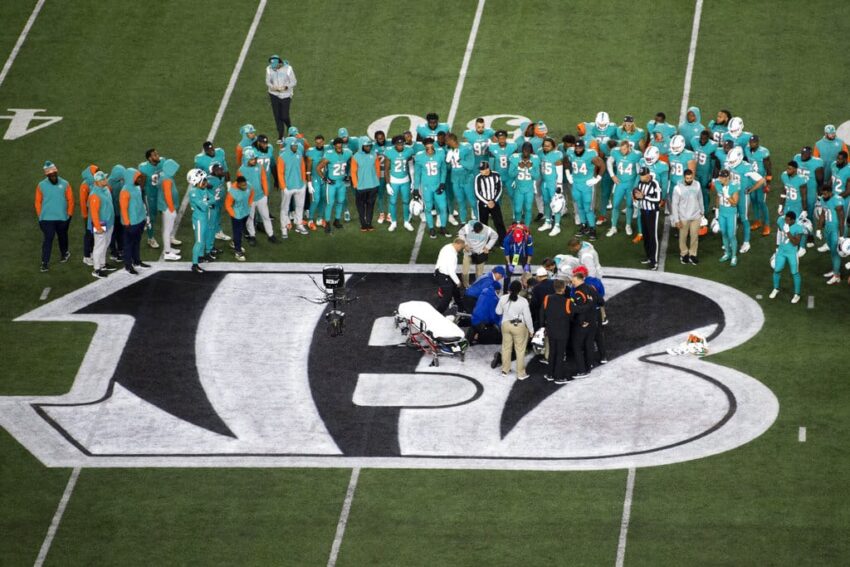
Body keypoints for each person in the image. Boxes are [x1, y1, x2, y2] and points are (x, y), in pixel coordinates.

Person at [35, 161, 74, 272]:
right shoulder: (41, 185)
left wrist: (69, 214)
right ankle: (44, 262)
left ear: (57, 172)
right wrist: (40, 216)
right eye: (51, 175)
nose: (53, 177)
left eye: (54, 174)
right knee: (48, 238)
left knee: (63, 236)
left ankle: (64, 253)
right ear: (47, 175)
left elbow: (70, 200)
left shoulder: (65, 184)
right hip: (46, 219)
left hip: (62, 217)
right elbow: (37, 202)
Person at [726, 146, 766, 254]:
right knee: (732, 218)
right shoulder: (730, 164)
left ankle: (746, 242)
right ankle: (732, 240)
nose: (730, 163)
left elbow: (761, 180)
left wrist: (751, 189)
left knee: (744, 218)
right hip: (732, 194)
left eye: (732, 161)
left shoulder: (746, 167)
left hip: (742, 196)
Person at [565, 139, 604, 239]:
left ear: (584, 147)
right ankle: (584, 226)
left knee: (588, 208)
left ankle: (592, 228)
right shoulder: (570, 152)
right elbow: (566, 161)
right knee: (580, 207)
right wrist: (568, 174)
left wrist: (597, 179)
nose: (578, 150)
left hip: (587, 185)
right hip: (576, 185)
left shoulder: (590, 155)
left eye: (580, 148)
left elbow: (602, 165)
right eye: (576, 148)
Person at [496, 279, 534, 380]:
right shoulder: (523, 301)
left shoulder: (503, 298)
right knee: (520, 350)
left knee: (506, 348)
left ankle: (505, 370)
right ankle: (521, 373)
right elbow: (528, 317)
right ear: (520, 289)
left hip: (505, 325)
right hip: (519, 327)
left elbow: (498, 312)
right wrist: (531, 330)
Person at [241, 147, 277, 244]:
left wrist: (265, 194)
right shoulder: (241, 170)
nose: (254, 160)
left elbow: (264, 180)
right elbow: (241, 186)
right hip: (250, 199)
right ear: (247, 159)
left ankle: (271, 235)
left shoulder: (259, 167)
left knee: (266, 216)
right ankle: (252, 236)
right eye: (252, 159)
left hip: (261, 197)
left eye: (255, 159)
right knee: (250, 218)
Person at [414, 137, 449, 239]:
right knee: (428, 208)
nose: (429, 149)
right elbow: (417, 174)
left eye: (431, 146)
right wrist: (416, 189)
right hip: (426, 187)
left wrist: (442, 183)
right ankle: (431, 228)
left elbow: (443, 170)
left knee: (443, 207)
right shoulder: (419, 156)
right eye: (427, 147)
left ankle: (443, 227)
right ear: (424, 147)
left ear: (433, 145)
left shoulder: (440, 153)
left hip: (438, 185)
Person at [540, 278, 572, 384]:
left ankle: (550, 374)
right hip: (563, 332)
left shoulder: (547, 298)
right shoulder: (567, 302)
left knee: (552, 352)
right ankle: (558, 377)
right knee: (560, 354)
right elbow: (573, 315)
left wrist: (542, 327)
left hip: (551, 330)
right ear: (563, 289)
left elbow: (542, 314)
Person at [318, 137, 354, 233]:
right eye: (337, 145)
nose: (339, 146)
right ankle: (327, 223)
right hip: (332, 183)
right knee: (330, 203)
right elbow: (318, 168)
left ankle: (337, 220)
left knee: (340, 201)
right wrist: (325, 179)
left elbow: (353, 162)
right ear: (334, 146)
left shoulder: (347, 152)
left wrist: (349, 175)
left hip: (341, 182)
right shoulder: (329, 155)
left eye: (340, 144)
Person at [607, 140, 642, 237]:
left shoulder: (637, 155)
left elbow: (639, 171)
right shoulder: (615, 151)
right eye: (621, 149)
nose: (622, 151)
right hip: (620, 183)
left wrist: (635, 185)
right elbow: (609, 162)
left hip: (631, 184)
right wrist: (612, 175)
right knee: (615, 205)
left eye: (624, 149)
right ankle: (613, 227)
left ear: (629, 147)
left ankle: (628, 225)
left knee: (629, 205)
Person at [118, 168, 149, 274]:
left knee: (136, 242)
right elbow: (123, 208)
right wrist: (127, 222)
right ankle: (128, 265)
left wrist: (144, 217)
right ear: (131, 178)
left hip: (140, 220)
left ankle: (137, 261)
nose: (139, 179)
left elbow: (140, 203)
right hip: (131, 223)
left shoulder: (137, 187)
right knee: (128, 245)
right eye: (137, 177)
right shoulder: (124, 191)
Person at [277, 137, 310, 238]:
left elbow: (302, 168)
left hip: (299, 186)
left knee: (300, 206)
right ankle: (283, 228)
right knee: (285, 208)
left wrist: (304, 182)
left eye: (296, 145)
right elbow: (280, 173)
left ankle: (299, 224)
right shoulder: (282, 157)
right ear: (288, 146)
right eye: (293, 145)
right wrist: (284, 187)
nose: (296, 147)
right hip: (288, 187)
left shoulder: (299, 155)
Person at [569, 266, 597, 378]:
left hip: (583, 323)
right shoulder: (591, 289)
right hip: (593, 321)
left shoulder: (578, 292)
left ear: (580, 279)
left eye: (574, 281)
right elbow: (601, 301)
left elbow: (578, 310)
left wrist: (581, 322)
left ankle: (582, 370)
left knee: (576, 346)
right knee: (589, 344)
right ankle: (589, 366)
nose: (573, 284)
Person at [671, 169, 704, 264]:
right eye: (687, 178)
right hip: (684, 217)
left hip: (696, 216)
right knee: (683, 237)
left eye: (691, 178)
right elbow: (674, 204)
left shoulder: (697, 184)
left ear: (693, 177)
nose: (689, 180)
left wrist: (702, 211)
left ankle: (693, 254)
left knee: (694, 236)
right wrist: (677, 219)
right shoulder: (677, 188)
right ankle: (684, 253)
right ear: (684, 177)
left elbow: (700, 197)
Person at [769, 210, 804, 303]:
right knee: (777, 270)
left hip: (792, 252)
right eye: (786, 219)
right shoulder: (781, 221)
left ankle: (797, 294)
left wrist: (788, 232)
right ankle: (776, 288)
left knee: (794, 272)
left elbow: (795, 242)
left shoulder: (798, 228)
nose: (786, 221)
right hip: (781, 250)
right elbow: (779, 225)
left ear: (793, 220)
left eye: (788, 220)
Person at [383, 135, 415, 232]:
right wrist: (388, 184)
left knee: (406, 201)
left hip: (405, 180)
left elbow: (411, 167)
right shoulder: (389, 152)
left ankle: (406, 221)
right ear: (395, 144)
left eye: (402, 144)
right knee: (393, 202)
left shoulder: (408, 151)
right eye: (398, 144)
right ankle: (393, 222)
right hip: (394, 180)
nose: (401, 146)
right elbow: (386, 170)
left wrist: (413, 181)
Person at [86, 171, 115, 278]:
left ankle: (102, 264)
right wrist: (98, 227)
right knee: (99, 246)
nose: (106, 180)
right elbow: (94, 213)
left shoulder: (106, 189)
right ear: (97, 182)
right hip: (100, 224)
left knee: (106, 243)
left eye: (105, 178)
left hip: (109, 223)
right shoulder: (94, 195)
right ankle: (96, 269)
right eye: (103, 179)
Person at [633, 166, 662, 270]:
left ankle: (654, 261)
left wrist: (644, 197)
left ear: (648, 175)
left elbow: (658, 199)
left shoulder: (655, 184)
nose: (641, 177)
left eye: (643, 175)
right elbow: (639, 196)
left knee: (652, 236)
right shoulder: (640, 183)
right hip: (643, 211)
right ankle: (649, 256)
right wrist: (636, 196)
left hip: (653, 212)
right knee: (646, 235)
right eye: (640, 175)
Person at [744, 134, 773, 235]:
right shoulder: (747, 149)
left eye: (754, 142)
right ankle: (757, 221)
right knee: (754, 201)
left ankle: (767, 225)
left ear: (758, 143)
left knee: (761, 202)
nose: (752, 144)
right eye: (751, 142)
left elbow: (768, 168)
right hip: (751, 179)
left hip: (761, 180)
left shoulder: (763, 152)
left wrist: (768, 183)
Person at [351, 136, 381, 231]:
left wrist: (377, 180)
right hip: (361, 187)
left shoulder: (374, 155)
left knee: (370, 205)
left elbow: (377, 168)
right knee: (361, 206)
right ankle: (363, 224)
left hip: (373, 185)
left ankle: (369, 223)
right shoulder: (355, 157)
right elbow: (353, 172)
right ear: (361, 146)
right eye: (366, 146)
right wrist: (356, 184)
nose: (368, 147)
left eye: (369, 146)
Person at [537, 137, 565, 236]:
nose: (546, 147)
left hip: (553, 182)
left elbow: (559, 170)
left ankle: (557, 225)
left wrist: (559, 184)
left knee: (556, 204)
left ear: (553, 146)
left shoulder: (557, 154)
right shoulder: (540, 153)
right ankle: (548, 222)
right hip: (544, 182)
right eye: (544, 145)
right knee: (546, 202)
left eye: (548, 146)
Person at [445, 133, 476, 225]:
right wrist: (447, 162)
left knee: (472, 202)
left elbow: (470, 166)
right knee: (460, 202)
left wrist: (460, 160)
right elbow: (449, 168)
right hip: (455, 179)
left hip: (467, 178)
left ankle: (478, 221)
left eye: (447, 140)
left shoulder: (466, 148)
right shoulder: (449, 150)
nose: (446, 142)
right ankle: (463, 222)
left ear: (452, 141)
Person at [817, 184, 844, 285]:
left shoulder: (837, 201)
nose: (823, 196)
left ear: (830, 192)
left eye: (825, 194)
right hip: (828, 228)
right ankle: (835, 270)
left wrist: (841, 236)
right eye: (822, 194)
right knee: (832, 251)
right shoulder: (824, 199)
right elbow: (823, 214)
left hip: (836, 229)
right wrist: (818, 229)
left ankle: (837, 276)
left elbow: (841, 220)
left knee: (835, 252)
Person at [457, 220, 498, 287]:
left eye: (478, 232)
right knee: (465, 272)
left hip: (480, 253)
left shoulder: (487, 229)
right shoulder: (468, 227)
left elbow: (495, 236)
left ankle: (477, 285)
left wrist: (488, 247)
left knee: (479, 273)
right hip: (468, 252)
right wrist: (465, 244)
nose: (477, 233)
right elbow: (460, 233)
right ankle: (466, 286)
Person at [508, 142, 540, 227]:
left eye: (528, 150)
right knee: (518, 209)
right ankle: (518, 225)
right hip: (519, 187)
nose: (526, 152)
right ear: (522, 150)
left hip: (529, 188)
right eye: (524, 150)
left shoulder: (535, 159)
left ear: (531, 151)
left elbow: (537, 176)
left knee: (528, 208)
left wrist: (530, 168)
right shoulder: (515, 158)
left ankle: (527, 227)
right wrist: (519, 168)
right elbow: (510, 174)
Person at [266, 55, 296, 141]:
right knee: (277, 115)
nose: (274, 68)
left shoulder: (288, 69)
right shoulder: (268, 69)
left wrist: (286, 87)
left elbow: (294, 81)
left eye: (275, 66)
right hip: (274, 94)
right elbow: (268, 81)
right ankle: (281, 135)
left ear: (280, 63)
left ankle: (290, 127)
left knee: (285, 116)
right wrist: (272, 87)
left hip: (286, 94)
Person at [474, 161, 506, 241]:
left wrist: (494, 201)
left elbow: (500, 189)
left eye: (482, 169)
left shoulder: (496, 175)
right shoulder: (478, 177)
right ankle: (483, 242)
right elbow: (477, 192)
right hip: (483, 203)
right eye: (480, 170)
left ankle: (503, 241)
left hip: (494, 202)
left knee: (499, 222)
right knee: (483, 223)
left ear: (488, 169)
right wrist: (487, 202)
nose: (480, 171)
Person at [138, 148, 164, 249]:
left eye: (157, 154)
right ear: (149, 158)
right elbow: (141, 185)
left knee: (164, 213)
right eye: (155, 155)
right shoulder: (144, 169)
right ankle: (150, 238)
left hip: (161, 193)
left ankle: (169, 236)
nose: (157, 156)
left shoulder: (162, 162)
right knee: (151, 218)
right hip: (150, 196)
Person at [187, 168, 211, 273]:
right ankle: (194, 264)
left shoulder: (202, 189)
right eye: (203, 180)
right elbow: (204, 206)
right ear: (196, 181)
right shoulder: (194, 192)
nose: (206, 182)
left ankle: (200, 257)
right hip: (199, 219)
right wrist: (209, 203)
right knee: (199, 241)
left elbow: (212, 198)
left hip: (205, 217)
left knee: (204, 238)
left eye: (205, 179)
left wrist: (209, 202)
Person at [715, 169, 741, 266]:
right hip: (722, 213)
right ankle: (727, 253)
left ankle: (734, 256)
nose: (720, 178)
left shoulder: (734, 186)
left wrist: (727, 196)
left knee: (731, 235)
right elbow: (717, 197)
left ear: (727, 177)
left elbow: (734, 203)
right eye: (720, 176)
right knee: (724, 233)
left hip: (731, 214)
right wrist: (716, 212)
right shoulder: (717, 184)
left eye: (722, 177)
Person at [157, 159, 182, 261]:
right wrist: (172, 209)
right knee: (167, 230)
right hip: (167, 207)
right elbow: (168, 195)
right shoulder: (166, 179)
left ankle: (168, 249)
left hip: (166, 206)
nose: (175, 171)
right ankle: (167, 252)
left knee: (167, 230)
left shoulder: (164, 175)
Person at [225, 175, 253, 261]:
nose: (245, 187)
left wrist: (249, 204)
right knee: (238, 232)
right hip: (237, 216)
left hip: (245, 212)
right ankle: (238, 251)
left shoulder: (249, 185)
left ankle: (234, 243)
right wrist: (234, 214)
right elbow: (227, 205)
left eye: (245, 185)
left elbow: (252, 193)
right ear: (238, 185)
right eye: (243, 185)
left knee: (241, 230)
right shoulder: (232, 192)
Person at [434, 238, 465, 314]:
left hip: (440, 271)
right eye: (461, 247)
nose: (460, 249)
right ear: (458, 244)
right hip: (444, 275)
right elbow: (451, 271)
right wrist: (458, 282)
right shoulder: (452, 255)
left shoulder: (447, 246)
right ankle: (438, 313)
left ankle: (461, 307)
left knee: (456, 290)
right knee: (447, 296)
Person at [691, 130, 718, 213]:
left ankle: (705, 212)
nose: (702, 140)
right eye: (701, 138)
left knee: (704, 193)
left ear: (708, 139)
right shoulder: (694, 141)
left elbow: (714, 163)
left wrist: (712, 177)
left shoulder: (713, 146)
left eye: (704, 139)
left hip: (705, 174)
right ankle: (695, 211)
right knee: (693, 192)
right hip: (695, 171)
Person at [305, 135, 328, 231]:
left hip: (324, 178)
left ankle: (319, 218)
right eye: (317, 142)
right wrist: (309, 183)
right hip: (315, 178)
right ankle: (310, 220)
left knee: (323, 198)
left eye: (320, 142)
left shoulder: (328, 150)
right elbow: (308, 169)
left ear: (323, 142)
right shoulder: (311, 152)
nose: (319, 144)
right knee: (316, 199)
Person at [503, 223, 534, 291]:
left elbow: (530, 252)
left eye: (519, 240)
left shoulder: (528, 238)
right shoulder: (507, 239)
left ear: (523, 235)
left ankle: (529, 290)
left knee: (528, 273)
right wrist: (509, 264)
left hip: (523, 254)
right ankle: (505, 291)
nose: (518, 242)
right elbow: (506, 253)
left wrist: (527, 263)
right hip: (513, 255)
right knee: (507, 274)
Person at [79, 164, 98, 266]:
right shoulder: (84, 185)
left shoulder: (96, 183)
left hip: (98, 215)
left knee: (97, 235)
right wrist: (85, 216)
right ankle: (86, 256)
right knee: (89, 235)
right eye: (95, 172)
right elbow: (83, 202)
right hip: (89, 215)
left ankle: (93, 253)